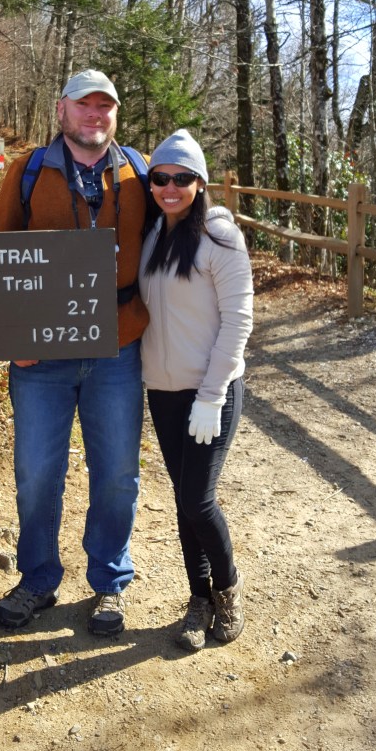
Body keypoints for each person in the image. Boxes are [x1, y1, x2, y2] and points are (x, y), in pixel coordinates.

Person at [0, 70, 148, 636]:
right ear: (62, 111)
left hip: (117, 350)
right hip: (42, 357)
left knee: (117, 477)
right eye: (84, 105)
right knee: (36, 475)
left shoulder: (139, 171)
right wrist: (12, 335)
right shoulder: (29, 171)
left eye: (105, 106)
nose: (95, 115)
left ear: (115, 116)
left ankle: (108, 582)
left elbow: (177, 234)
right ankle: (37, 579)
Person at [139, 129, 253, 651]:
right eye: (160, 177)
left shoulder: (221, 238)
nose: (170, 186)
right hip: (163, 392)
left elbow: (238, 322)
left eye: (182, 178)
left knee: (196, 499)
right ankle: (198, 598)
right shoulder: (152, 235)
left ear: (199, 182)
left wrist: (211, 394)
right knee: (185, 502)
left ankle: (227, 591)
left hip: (210, 392)